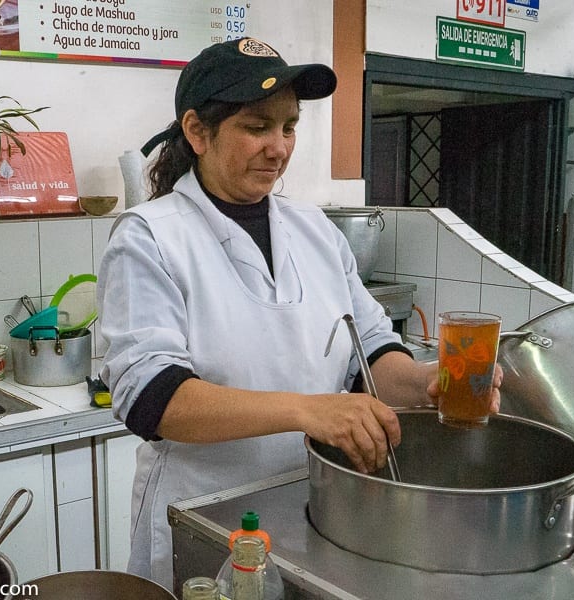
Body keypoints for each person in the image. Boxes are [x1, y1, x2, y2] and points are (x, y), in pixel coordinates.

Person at [96, 37, 501, 589]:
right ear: (197, 132)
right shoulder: (150, 237)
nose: (279, 148)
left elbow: (371, 352)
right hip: (204, 518)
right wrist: (310, 410)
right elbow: (153, 398)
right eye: (257, 127)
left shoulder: (313, 230)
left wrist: (428, 382)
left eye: (288, 127)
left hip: (315, 512)